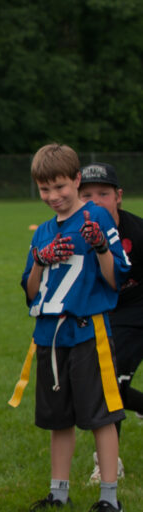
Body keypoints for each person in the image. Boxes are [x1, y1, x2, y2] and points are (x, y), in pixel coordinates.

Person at [22, 144, 129, 512]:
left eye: (60, 187)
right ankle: (59, 492)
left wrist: (100, 245)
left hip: (87, 331)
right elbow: (31, 291)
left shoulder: (97, 216)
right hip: (50, 335)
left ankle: (110, 497)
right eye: (45, 189)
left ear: (76, 181)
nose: (53, 197)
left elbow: (116, 278)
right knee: (58, 417)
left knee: (101, 414)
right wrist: (40, 259)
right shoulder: (43, 232)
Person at [79, 162, 143, 483]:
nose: (95, 201)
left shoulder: (138, 231)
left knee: (112, 385)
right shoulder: (75, 232)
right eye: (86, 194)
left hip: (134, 312)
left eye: (103, 193)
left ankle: (108, 462)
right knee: (100, 385)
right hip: (99, 313)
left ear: (118, 196)